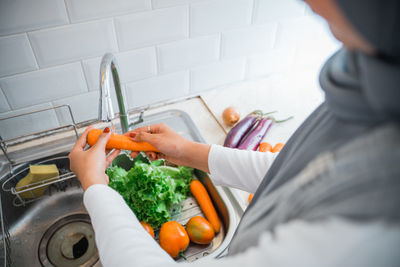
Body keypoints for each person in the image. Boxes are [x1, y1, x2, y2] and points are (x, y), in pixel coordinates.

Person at [69, 0, 400, 266]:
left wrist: (96, 188)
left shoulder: (366, 230)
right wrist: (187, 151)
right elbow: (297, 174)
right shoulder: (370, 84)